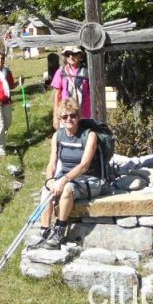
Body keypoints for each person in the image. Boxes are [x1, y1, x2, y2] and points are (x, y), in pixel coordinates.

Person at [31, 99, 102, 249]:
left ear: (79, 117)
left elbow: (84, 166)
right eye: (64, 116)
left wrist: (63, 180)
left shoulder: (89, 135)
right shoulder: (58, 136)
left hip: (89, 179)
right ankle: (45, 231)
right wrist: (50, 180)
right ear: (60, 119)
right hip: (65, 177)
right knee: (46, 191)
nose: (69, 119)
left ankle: (59, 230)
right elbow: (52, 163)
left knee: (68, 189)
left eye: (73, 115)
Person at [51, 46, 91, 130]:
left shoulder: (88, 72)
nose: (71, 57)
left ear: (81, 55)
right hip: (66, 116)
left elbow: (93, 93)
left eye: (74, 54)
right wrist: (55, 116)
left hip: (85, 115)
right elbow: (57, 95)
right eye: (67, 54)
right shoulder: (61, 72)